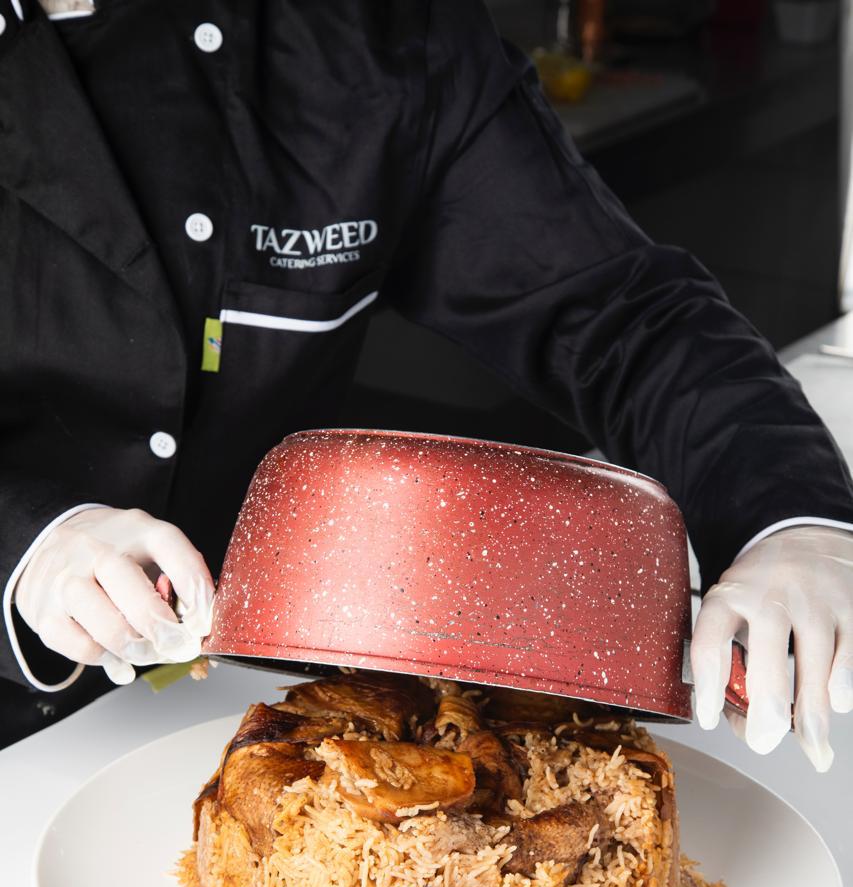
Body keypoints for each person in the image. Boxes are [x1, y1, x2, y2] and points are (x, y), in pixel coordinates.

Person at [2, 0, 852, 767]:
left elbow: (620, 314)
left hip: (249, 711)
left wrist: (795, 519)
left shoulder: (387, 36)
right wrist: (29, 542)